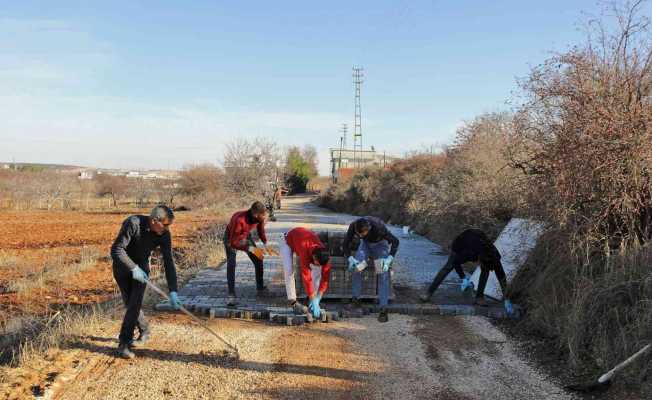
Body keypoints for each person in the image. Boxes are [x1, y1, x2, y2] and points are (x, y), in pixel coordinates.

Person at [110, 205, 182, 359]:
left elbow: (168, 262)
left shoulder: (164, 235)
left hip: (142, 267)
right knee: (130, 304)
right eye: (166, 224)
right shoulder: (133, 223)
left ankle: (124, 343)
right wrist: (132, 268)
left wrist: (173, 291)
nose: (168, 228)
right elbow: (117, 249)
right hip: (123, 267)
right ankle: (145, 329)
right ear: (155, 221)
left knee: (134, 304)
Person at [419, 228, 513, 314]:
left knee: (486, 270)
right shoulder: (468, 253)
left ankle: (479, 297)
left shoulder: (494, 255)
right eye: (481, 264)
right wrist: (463, 277)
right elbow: (456, 263)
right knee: (448, 267)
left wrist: (507, 298)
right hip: (460, 243)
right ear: (478, 259)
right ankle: (428, 293)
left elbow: (501, 276)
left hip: (477, 239)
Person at [343, 216, 399, 323]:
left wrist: (389, 259)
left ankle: (383, 308)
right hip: (365, 245)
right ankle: (356, 300)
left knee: (382, 273)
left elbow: (396, 241)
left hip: (380, 246)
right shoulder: (353, 226)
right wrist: (350, 259)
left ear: (368, 229)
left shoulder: (379, 228)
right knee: (357, 268)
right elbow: (345, 244)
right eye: (358, 234)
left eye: (362, 234)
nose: (359, 236)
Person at [224, 201, 271, 306]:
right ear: (255, 214)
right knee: (231, 264)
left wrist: (265, 243)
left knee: (259, 258)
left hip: (245, 237)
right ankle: (231, 295)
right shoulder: (239, 220)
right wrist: (251, 249)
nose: (264, 217)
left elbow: (261, 230)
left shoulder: (260, 217)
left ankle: (260, 289)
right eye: (262, 215)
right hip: (231, 238)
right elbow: (234, 242)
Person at [280, 227, 332, 318]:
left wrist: (317, 299)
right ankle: (293, 302)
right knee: (289, 270)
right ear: (314, 257)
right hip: (287, 241)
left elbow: (325, 279)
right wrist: (312, 297)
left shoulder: (325, 256)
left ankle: (312, 301)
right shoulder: (305, 250)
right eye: (318, 263)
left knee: (317, 271)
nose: (319, 265)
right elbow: (306, 277)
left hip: (300, 240)